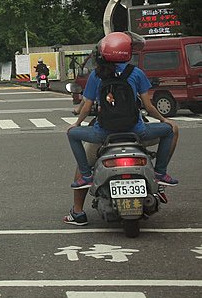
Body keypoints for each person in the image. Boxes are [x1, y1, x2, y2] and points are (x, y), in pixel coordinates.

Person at [63, 32, 179, 226]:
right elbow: (149, 106)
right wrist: (165, 120)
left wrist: (76, 123)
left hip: (103, 135)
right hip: (137, 133)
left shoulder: (96, 75)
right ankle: (160, 175)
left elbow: (86, 105)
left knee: (77, 149)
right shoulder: (136, 73)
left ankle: (78, 209)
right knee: (172, 131)